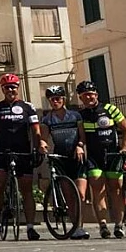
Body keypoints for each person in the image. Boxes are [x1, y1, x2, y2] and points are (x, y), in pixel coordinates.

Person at [0, 73, 48, 241]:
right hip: (3, 151)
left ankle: (30, 227)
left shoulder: (28, 107)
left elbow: (35, 130)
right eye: (7, 88)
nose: (10, 90)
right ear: (2, 90)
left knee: (26, 190)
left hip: (23, 152)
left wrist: (38, 146)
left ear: (18, 88)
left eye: (13, 87)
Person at [77, 80, 126, 239]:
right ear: (80, 98)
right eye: (84, 95)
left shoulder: (110, 109)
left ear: (96, 94)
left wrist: (125, 148)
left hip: (113, 154)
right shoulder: (81, 115)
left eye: (90, 94)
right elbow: (81, 137)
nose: (88, 97)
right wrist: (80, 145)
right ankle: (103, 225)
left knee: (116, 189)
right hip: (94, 157)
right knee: (97, 188)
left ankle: (119, 225)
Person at [40, 85, 89, 240]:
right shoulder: (47, 119)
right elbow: (44, 137)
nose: (55, 102)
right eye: (51, 100)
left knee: (80, 194)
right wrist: (42, 144)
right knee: (68, 195)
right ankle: (75, 228)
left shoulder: (75, 116)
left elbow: (82, 136)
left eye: (57, 99)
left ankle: (80, 225)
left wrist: (80, 146)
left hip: (76, 157)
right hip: (60, 158)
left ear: (63, 99)